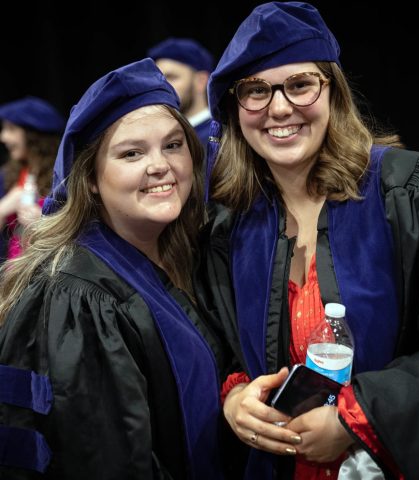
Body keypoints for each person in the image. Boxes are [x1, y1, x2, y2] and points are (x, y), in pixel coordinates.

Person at [195, 2, 419, 479]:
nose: (279, 108)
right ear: (234, 108)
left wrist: (359, 418)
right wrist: (235, 397)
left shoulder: (411, 192)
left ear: (333, 92)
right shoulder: (229, 227)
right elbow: (213, 346)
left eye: (300, 84)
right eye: (256, 91)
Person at [0, 58, 228, 479]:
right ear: (89, 177)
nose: (160, 165)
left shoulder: (191, 255)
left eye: (173, 145)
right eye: (132, 153)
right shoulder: (76, 294)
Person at [0, 96, 65, 260]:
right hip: (13, 271)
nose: (3, 137)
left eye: (11, 129)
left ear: (34, 135)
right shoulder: (9, 176)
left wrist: (44, 223)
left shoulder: (63, 178)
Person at [147, 37, 214, 148]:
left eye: (171, 77)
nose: (161, 85)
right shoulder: (155, 137)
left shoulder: (223, 138)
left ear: (201, 81)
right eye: (157, 79)